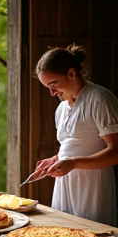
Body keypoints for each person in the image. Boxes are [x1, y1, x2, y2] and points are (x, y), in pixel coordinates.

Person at [30, 43, 118, 227]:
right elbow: (74, 145)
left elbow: (115, 151)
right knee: (62, 234)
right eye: (47, 87)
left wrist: (74, 163)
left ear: (71, 73)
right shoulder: (61, 108)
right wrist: (55, 159)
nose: (51, 92)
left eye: (53, 84)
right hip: (64, 183)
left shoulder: (100, 98)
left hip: (92, 184)